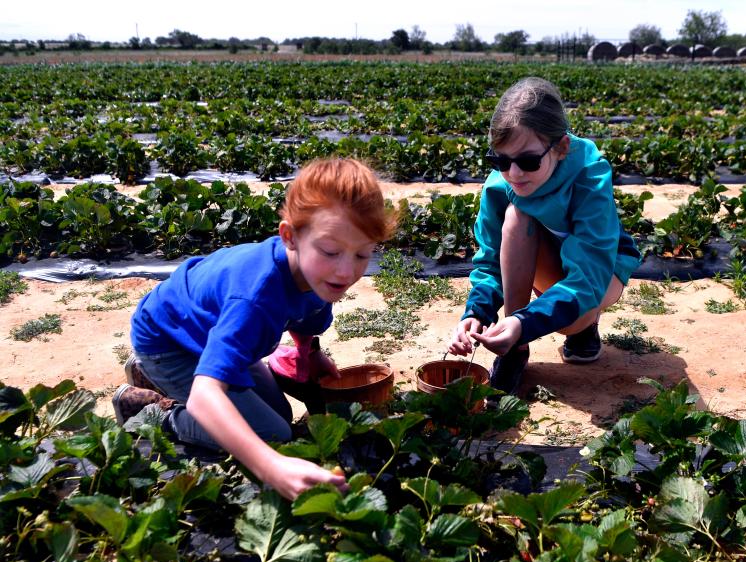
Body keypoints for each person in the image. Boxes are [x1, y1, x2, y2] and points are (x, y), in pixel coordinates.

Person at [113, 158, 395, 500]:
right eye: (331, 251)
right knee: (272, 435)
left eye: (362, 255)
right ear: (290, 237)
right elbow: (206, 396)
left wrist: (311, 353)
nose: (346, 271)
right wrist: (271, 466)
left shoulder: (317, 273)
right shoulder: (255, 298)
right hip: (170, 342)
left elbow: (307, 318)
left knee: (280, 415)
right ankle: (156, 412)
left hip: (211, 331)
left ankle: (153, 375)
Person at [448, 77, 640, 397]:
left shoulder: (589, 176)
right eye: (501, 160)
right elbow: (492, 260)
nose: (514, 173)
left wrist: (527, 321)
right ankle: (515, 350)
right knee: (516, 214)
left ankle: (582, 328)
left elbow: (587, 277)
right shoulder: (502, 184)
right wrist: (477, 313)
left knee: (571, 322)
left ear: (561, 147)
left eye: (528, 161)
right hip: (550, 263)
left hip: (600, 270)